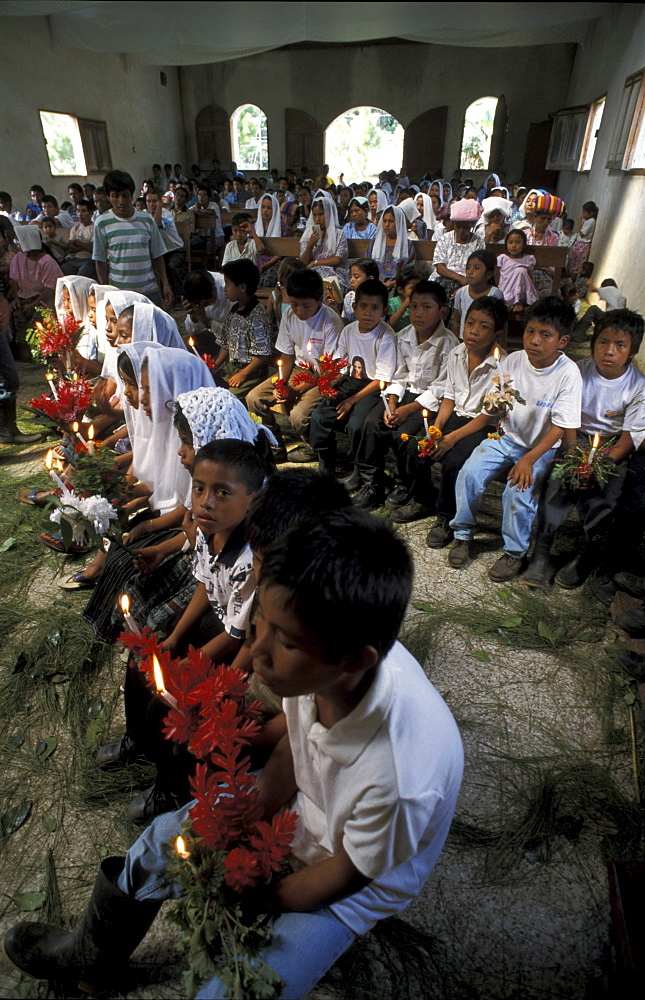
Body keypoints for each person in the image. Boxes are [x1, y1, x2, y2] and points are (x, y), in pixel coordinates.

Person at [3, 508, 463, 1000]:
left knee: (235, 991)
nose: (257, 654)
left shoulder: (400, 778)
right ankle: (92, 956)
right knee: (162, 839)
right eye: (260, 622)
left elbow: (348, 871)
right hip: (302, 811)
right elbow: (294, 744)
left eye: (281, 639)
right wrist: (247, 812)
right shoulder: (318, 660)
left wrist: (260, 895)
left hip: (341, 878)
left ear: (355, 660)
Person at [448, 297, 582, 581]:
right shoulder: (512, 360)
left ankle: (514, 553)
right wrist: (495, 408)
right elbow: (496, 404)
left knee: (517, 492)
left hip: (540, 448)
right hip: (506, 435)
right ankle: (462, 533)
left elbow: (560, 426)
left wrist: (528, 460)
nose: (534, 340)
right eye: (530, 331)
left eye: (545, 335)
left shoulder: (568, 374)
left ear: (563, 340)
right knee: (469, 473)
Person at [523, 309, 645, 590]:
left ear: (632, 350)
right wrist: (576, 455)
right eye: (603, 342)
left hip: (612, 445)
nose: (609, 351)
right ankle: (542, 551)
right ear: (592, 342)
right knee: (558, 480)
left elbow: (629, 437)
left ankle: (585, 554)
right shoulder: (577, 371)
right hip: (575, 438)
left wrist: (597, 465)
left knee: (607, 491)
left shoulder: (638, 386)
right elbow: (566, 418)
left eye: (620, 345)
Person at [357, 280, 457, 517]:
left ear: (442, 311)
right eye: (413, 307)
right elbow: (398, 375)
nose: (418, 314)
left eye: (426, 307)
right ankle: (373, 480)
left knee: (406, 434)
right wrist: (391, 403)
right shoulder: (403, 336)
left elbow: (440, 389)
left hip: (429, 401)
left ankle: (407, 484)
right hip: (403, 394)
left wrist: (408, 409)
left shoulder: (449, 343)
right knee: (373, 422)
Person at [420, 297, 509, 548]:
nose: (473, 331)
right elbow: (449, 396)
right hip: (458, 414)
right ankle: (419, 497)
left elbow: (488, 415)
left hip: (482, 425)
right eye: (470, 323)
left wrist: (451, 438)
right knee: (417, 446)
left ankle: (446, 517)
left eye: (483, 326)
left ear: (497, 334)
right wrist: (436, 430)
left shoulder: (503, 365)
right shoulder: (456, 352)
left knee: (454, 461)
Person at [309, 277, 396, 492]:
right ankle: (326, 465)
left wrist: (352, 400)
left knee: (357, 424)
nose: (368, 312)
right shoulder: (349, 331)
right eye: (363, 306)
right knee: (321, 415)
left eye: (375, 308)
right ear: (354, 307)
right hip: (351, 381)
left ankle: (359, 471)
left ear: (384, 310)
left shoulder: (386, 335)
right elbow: (342, 364)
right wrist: (330, 380)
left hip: (374, 388)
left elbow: (383, 379)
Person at [246, 268, 343, 462]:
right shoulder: (290, 315)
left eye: (306, 306)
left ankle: (312, 446)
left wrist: (296, 390)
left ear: (319, 299)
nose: (299, 311)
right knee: (254, 398)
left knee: (299, 416)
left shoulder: (330, 321)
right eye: (295, 304)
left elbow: (330, 369)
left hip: (323, 376)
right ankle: (274, 445)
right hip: (298, 369)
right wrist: (282, 384)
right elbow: (287, 354)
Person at [93, 170, 172, 309]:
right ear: (108, 197)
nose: (121, 201)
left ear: (132, 194)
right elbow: (100, 260)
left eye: (125, 196)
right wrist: (105, 290)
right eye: (115, 196)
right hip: (119, 292)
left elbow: (157, 256)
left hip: (148, 289)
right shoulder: (102, 223)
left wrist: (165, 284)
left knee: (155, 327)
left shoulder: (147, 220)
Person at [209, 259, 273, 398]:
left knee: (227, 398)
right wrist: (216, 364)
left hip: (252, 372)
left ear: (242, 287)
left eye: (227, 284)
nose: (224, 289)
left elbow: (262, 354)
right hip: (232, 367)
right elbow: (227, 343)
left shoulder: (257, 315)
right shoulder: (234, 310)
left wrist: (243, 374)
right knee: (208, 386)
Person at [430, 199, 484, 313]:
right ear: (453, 224)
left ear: (471, 226)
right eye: (458, 227)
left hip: (468, 283)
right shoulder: (445, 238)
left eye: (465, 228)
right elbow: (440, 267)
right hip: (443, 280)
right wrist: (461, 279)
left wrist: (465, 285)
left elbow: (478, 270)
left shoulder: (478, 242)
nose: (461, 231)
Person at [8, 225, 62, 318]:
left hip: (43, 299)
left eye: (18, 240)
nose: (16, 243)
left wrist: (34, 305)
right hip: (23, 298)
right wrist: (16, 298)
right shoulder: (18, 257)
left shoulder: (47, 261)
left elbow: (50, 289)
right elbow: (15, 279)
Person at [299, 197, 349, 291]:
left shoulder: (339, 234)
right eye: (315, 215)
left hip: (334, 273)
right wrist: (310, 244)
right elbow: (302, 263)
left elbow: (337, 260)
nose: (318, 219)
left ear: (328, 214)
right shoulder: (308, 234)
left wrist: (315, 263)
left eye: (321, 214)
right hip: (313, 274)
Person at [452, 250, 503, 337]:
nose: (470, 272)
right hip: (464, 341)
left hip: (485, 341)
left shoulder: (495, 294)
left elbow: (501, 325)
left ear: (489, 274)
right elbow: (456, 322)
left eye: (476, 268)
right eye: (468, 267)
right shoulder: (460, 293)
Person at [182, 270, 231, 352]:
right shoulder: (195, 290)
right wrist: (194, 317)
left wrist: (207, 322)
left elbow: (234, 334)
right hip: (214, 335)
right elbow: (192, 332)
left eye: (206, 303)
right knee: (183, 344)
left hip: (233, 339)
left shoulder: (230, 290)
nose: (202, 307)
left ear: (214, 290)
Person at [369, 206, 415, 290]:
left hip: (397, 285)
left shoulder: (407, 245)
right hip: (375, 283)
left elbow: (408, 272)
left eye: (391, 221)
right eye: (384, 221)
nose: (386, 225)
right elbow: (367, 266)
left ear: (398, 223)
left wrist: (393, 283)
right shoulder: (374, 243)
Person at [496, 229, 537, 311]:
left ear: (524, 244)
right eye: (510, 242)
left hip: (523, 294)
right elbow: (497, 278)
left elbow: (530, 279)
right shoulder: (503, 258)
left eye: (518, 242)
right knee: (519, 271)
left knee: (520, 271)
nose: (514, 245)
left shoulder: (528, 259)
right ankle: (511, 303)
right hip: (506, 291)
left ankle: (518, 302)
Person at [254, 193, 287, 287]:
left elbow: (283, 250)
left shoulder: (282, 226)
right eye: (263, 207)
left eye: (269, 208)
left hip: (275, 262)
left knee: (268, 281)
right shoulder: (255, 226)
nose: (265, 211)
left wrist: (269, 263)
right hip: (258, 262)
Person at [61, 199, 96, 278]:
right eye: (78, 211)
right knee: (64, 269)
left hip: (88, 259)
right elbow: (70, 247)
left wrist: (77, 242)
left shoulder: (94, 228)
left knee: (83, 273)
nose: (80, 214)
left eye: (83, 211)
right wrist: (84, 245)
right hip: (74, 259)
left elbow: (92, 248)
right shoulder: (75, 228)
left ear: (91, 213)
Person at [341, 258, 380, 324]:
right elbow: (346, 321)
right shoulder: (349, 296)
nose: (351, 280)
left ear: (370, 279)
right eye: (351, 277)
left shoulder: (378, 298)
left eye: (356, 277)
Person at [568, 201, 598, 277]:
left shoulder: (591, 221)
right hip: (580, 243)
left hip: (583, 245)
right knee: (574, 260)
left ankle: (574, 277)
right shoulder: (587, 220)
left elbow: (582, 233)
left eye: (584, 212)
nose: (582, 214)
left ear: (591, 213)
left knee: (578, 262)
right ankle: (571, 275)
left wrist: (579, 222)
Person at [387, 266, 420, 332]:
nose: (417, 291)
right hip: (397, 336)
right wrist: (405, 305)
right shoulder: (393, 302)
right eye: (412, 288)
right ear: (400, 290)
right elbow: (392, 322)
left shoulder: (420, 303)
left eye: (419, 287)